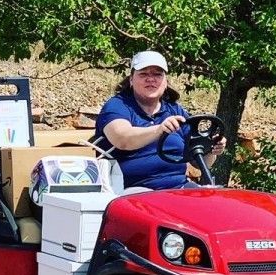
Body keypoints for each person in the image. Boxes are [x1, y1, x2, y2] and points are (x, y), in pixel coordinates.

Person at [95, 50, 226, 190]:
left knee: (217, 204)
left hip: (179, 187)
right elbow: (122, 139)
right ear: (131, 79)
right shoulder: (118, 106)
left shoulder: (175, 110)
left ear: (165, 82)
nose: (151, 79)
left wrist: (212, 149)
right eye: (143, 74)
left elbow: (198, 162)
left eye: (157, 74)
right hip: (133, 191)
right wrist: (158, 130)